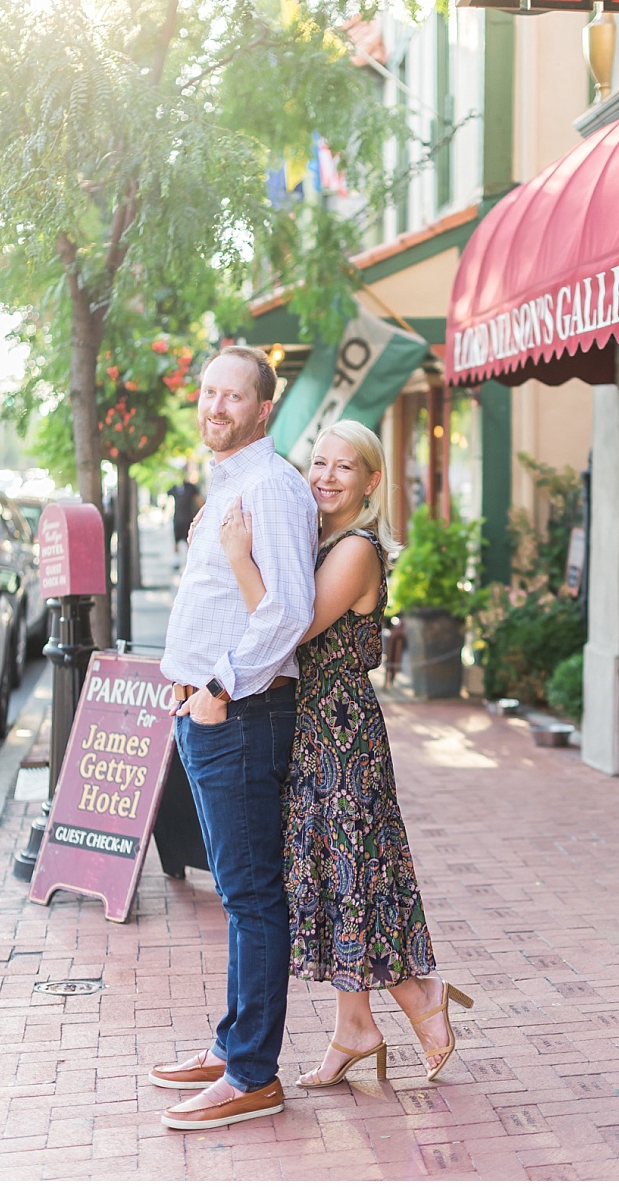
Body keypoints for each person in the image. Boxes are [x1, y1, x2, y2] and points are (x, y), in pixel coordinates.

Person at [217, 419, 471, 1088]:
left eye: (345, 466)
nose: (326, 475)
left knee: (355, 875)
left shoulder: (355, 548)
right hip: (314, 729)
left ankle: (422, 998)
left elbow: (289, 630)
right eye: (319, 462)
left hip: (342, 735)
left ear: (371, 481)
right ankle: (353, 1026)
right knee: (333, 878)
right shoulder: (323, 539)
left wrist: (241, 559)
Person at [149, 346, 317, 1131]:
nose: (215, 404)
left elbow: (283, 613)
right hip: (210, 715)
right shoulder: (229, 486)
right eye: (209, 390)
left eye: (232, 395)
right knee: (239, 893)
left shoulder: (273, 489)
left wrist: (214, 687)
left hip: (240, 716)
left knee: (252, 897)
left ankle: (253, 1072)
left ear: (262, 408)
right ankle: (232, 1043)